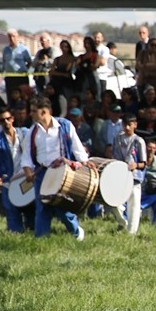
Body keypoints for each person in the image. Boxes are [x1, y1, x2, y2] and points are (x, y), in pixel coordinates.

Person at [20, 96, 90, 240]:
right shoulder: (32, 131)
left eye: (34, 111)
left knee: (62, 207)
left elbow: (78, 149)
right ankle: (41, 239)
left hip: (62, 173)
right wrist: (28, 172)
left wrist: (85, 164)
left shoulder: (65, 126)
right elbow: (26, 156)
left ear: (44, 112)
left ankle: (76, 232)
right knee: (42, 207)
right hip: (42, 173)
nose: (30, 114)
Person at [0, 107, 34, 233]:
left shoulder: (25, 133)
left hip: (25, 177)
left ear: (12, 119)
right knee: (11, 209)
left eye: (8, 118)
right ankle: (16, 233)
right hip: (7, 181)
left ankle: (31, 231)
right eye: (2, 120)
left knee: (30, 208)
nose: (6, 122)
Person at [109, 113, 148, 235]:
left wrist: (135, 165)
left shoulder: (139, 141)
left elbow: (143, 163)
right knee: (113, 202)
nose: (127, 128)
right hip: (120, 175)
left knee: (134, 206)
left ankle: (132, 232)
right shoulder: (117, 139)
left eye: (129, 125)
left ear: (135, 125)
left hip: (135, 177)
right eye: (125, 125)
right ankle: (122, 221)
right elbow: (114, 156)